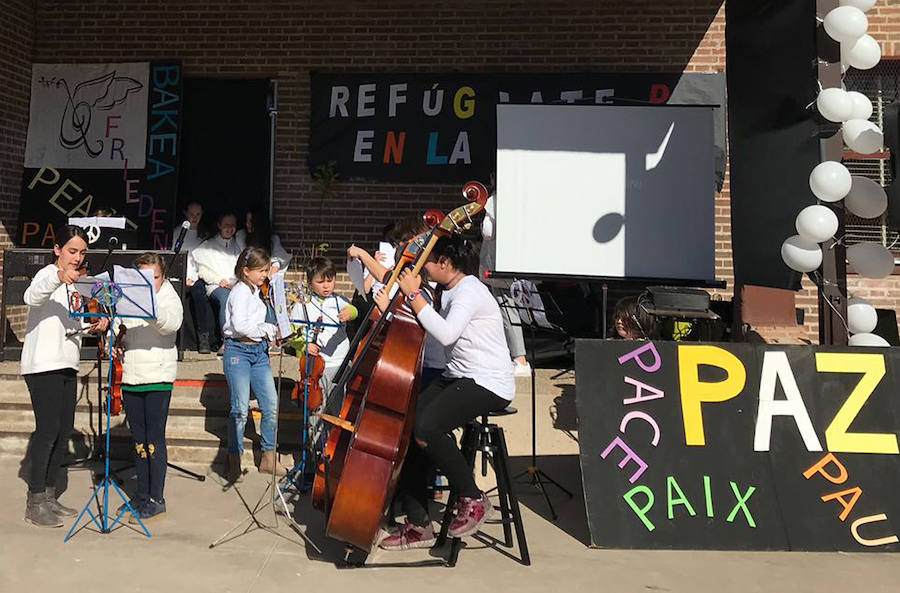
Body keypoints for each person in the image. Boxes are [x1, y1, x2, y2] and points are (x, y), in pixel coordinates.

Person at [376, 234, 515, 550]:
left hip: (488, 381)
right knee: (410, 425)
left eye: (428, 262)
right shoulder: (447, 288)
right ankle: (417, 523)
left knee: (427, 426)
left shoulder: (469, 291)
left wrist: (414, 298)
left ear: (445, 263)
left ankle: (472, 497)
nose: (423, 269)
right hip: (459, 376)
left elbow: (446, 333)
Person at [21, 225, 109, 527]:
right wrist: (59, 276)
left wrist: (93, 325)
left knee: (64, 429)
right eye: (72, 251)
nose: (77, 257)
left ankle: (49, 495)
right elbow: (31, 296)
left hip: (67, 362)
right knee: (47, 430)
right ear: (58, 249)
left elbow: (68, 326)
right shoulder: (46, 274)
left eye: (82, 252)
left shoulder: (77, 285)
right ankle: (34, 499)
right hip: (43, 363)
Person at [116, 253, 184, 523]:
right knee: (138, 440)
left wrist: (149, 303)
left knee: (153, 440)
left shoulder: (167, 296)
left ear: (162, 276)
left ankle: (157, 498)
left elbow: (170, 325)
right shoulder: (128, 297)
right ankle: (141, 494)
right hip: (132, 375)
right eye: (143, 278)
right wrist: (114, 331)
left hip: (157, 375)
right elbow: (124, 328)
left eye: (154, 278)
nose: (150, 283)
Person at [222, 246, 281, 482]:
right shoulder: (239, 292)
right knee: (239, 409)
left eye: (266, 270)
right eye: (260, 270)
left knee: (271, 404)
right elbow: (241, 327)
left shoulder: (256, 291)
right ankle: (233, 459)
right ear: (246, 271)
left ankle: (268, 457)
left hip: (258, 353)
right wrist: (266, 329)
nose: (264, 274)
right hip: (238, 351)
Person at [289, 257, 357, 416]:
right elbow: (292, 334)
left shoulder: (339, 300)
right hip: (314, 365)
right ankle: (315, 439)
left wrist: (350, 312)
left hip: (338, 362)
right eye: (320, 282)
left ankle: (332, 440)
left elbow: (354, 311)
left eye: (330, 280)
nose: (326, 285)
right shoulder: (303, 304)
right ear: (310, 282)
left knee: (336, 405)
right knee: (315, 407)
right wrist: (304, 345)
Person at [478, 188, 532, 377]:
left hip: (500, 264)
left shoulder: (497, 198)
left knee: (507, 311)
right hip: (511, 261)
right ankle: (513, 356)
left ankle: (520, 359)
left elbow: (487, 231)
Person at [191, 212, 240, 353]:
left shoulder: (237, 246)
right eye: (226, 225)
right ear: (219, 226)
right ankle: (226, 341)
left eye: (233, 226)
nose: (230, 229)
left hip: (235, 285)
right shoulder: (208, 246)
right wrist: (219, 280)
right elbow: (203, 271)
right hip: (215, 286)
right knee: (226, 298)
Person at [236, 207, 291, 274]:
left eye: (250, 221)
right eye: (246, 221)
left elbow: (277, 260)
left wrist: (270, 274)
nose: (247, 224)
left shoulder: (272, 239)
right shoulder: (241, 236)